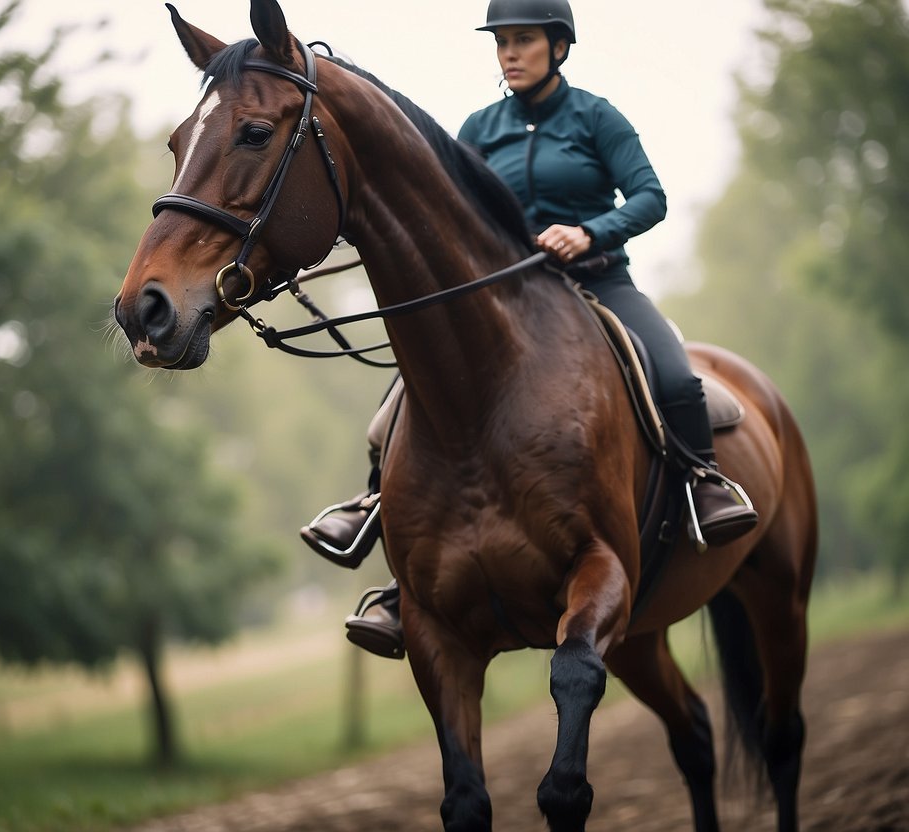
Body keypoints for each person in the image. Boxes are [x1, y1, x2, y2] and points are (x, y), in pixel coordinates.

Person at [301, 0, 758, 659]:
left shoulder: (595, 118)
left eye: (523, 41)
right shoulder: (477, 129)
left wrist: (589, 232)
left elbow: (650, 196)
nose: (509, 53)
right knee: (397, 411)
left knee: (674, 375)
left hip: (597, 282)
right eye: (502, 43)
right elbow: (447, 212)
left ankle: (701, 485)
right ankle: (379, 521)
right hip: (506, 301)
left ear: (559, 48)